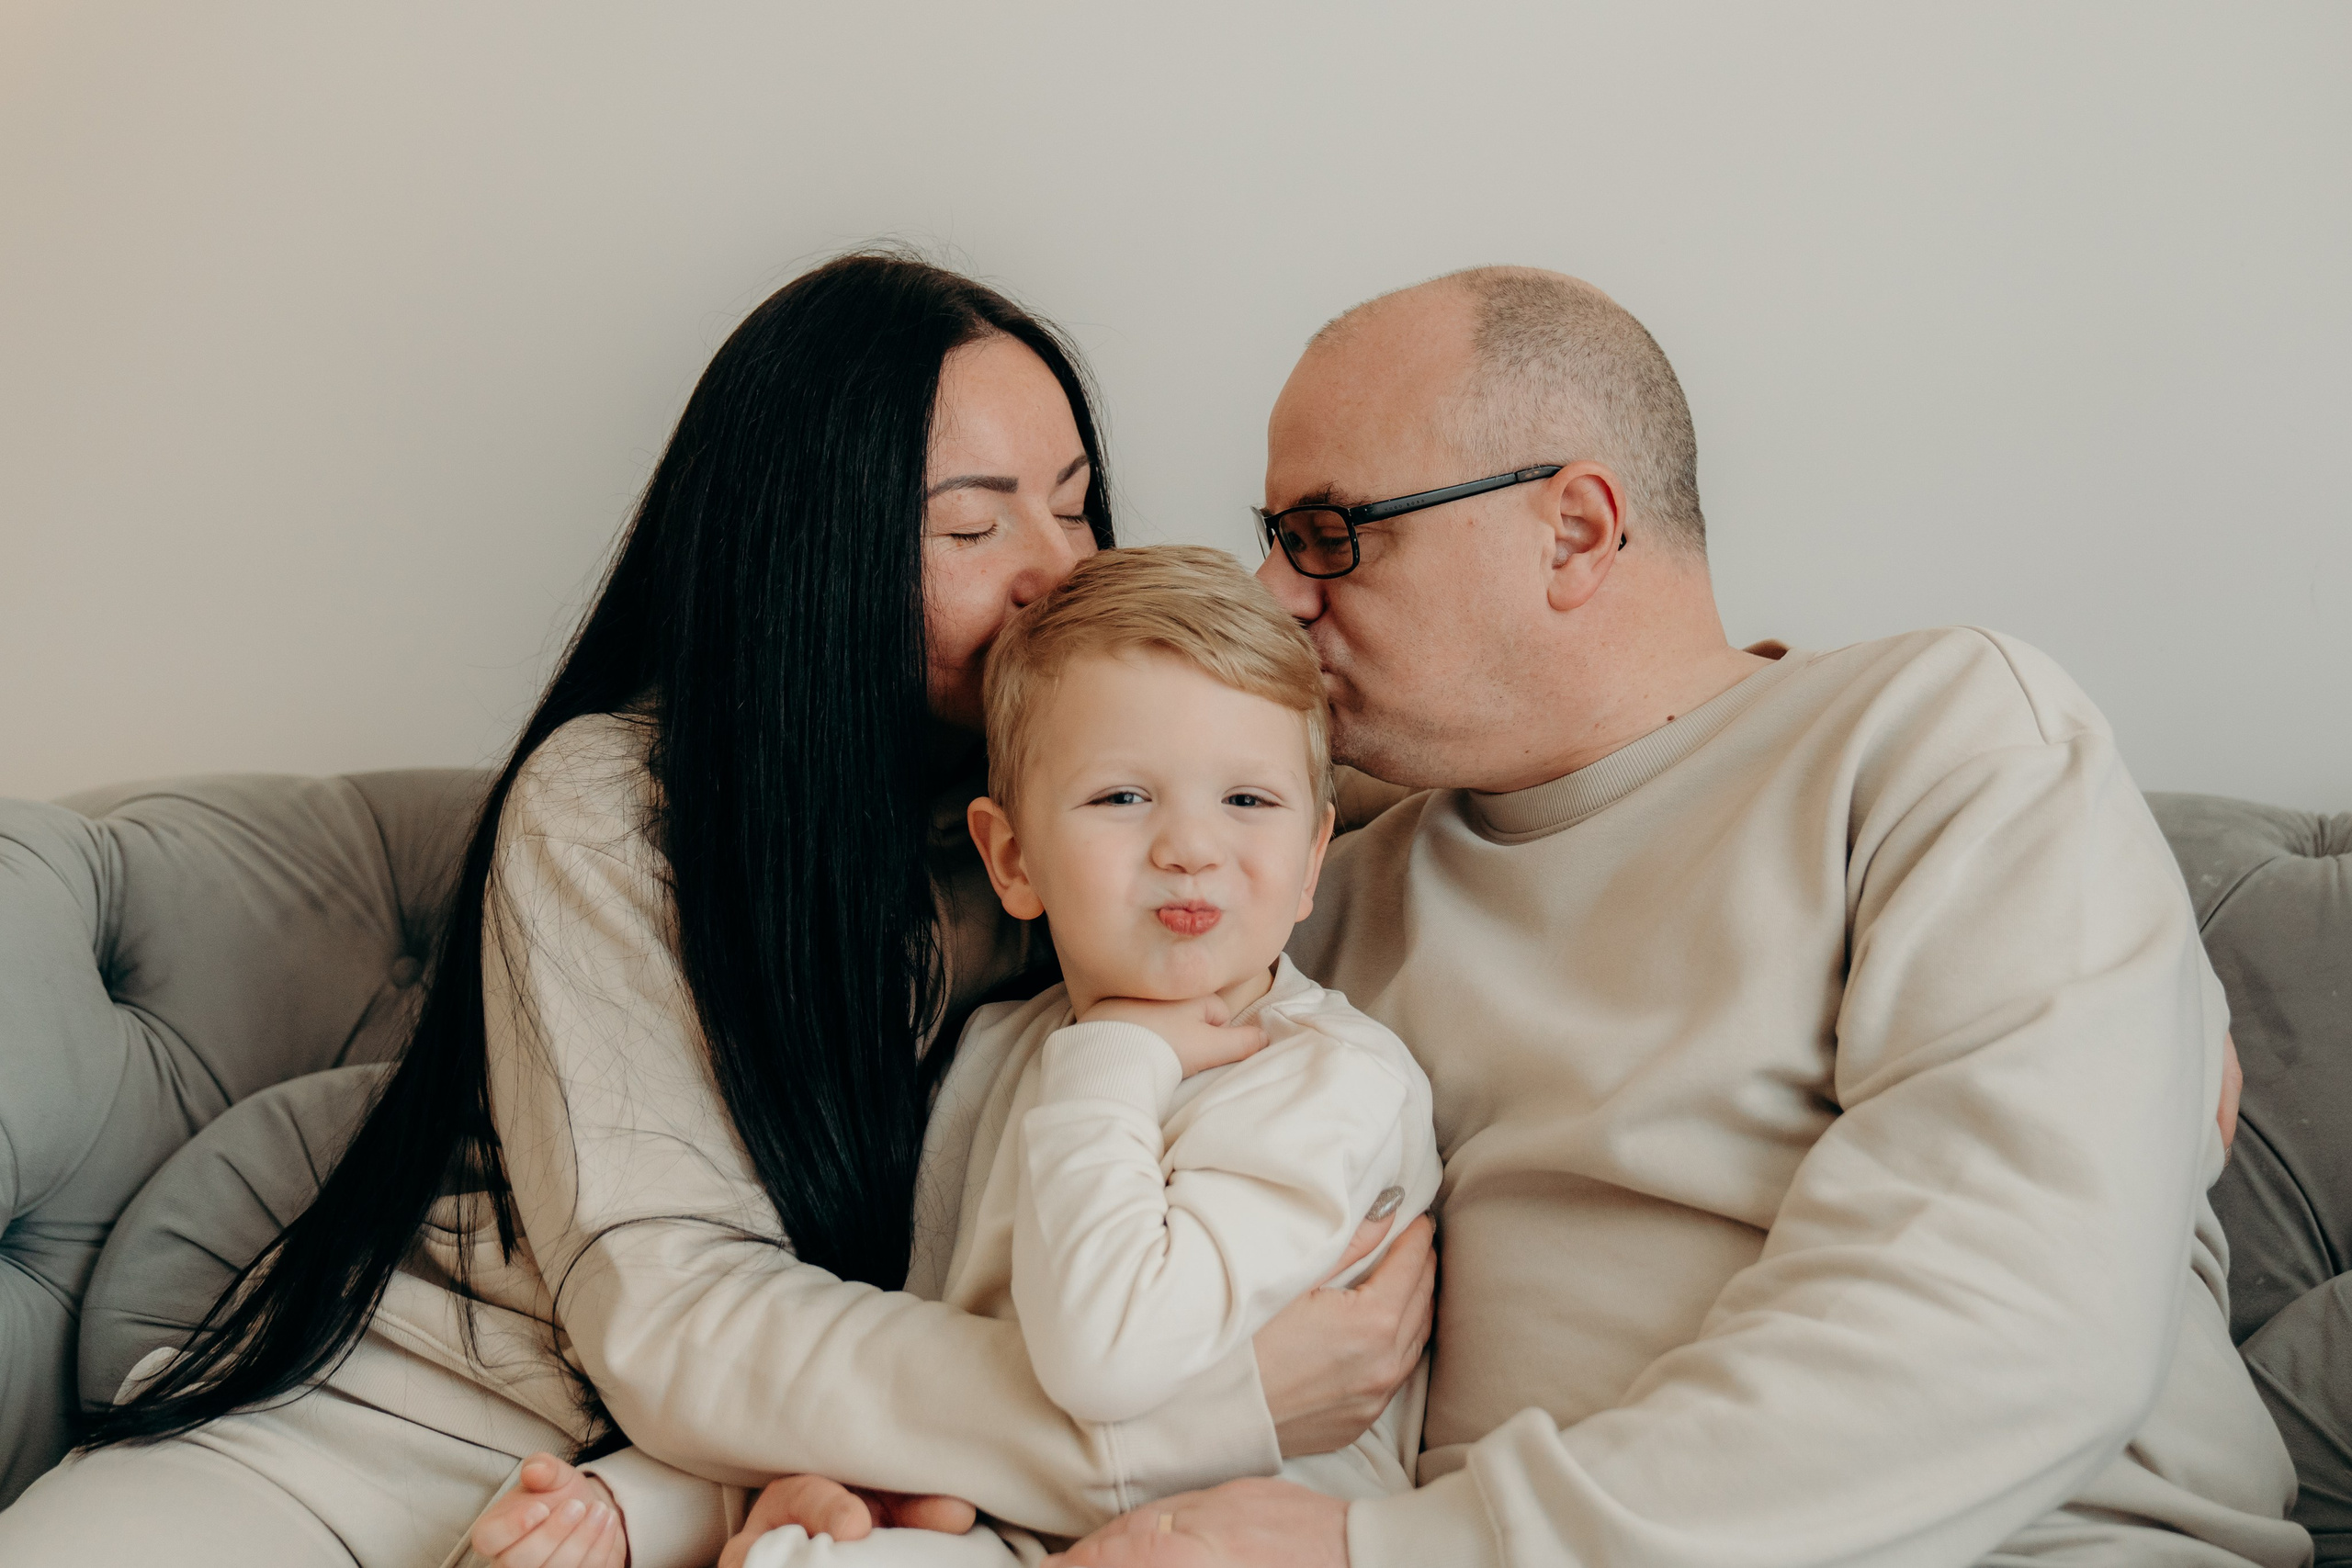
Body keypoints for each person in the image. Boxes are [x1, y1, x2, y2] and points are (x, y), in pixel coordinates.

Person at [0, 254, 1433, 1568]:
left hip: (759, 1485)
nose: (1055, 569)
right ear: (814, 553)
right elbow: (671, 1316)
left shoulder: (1117, 828)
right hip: (433, 1408)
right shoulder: (623, 807)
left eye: (1074, 502)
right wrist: (1197, 1419)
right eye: (975, 523)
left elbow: (1298, 800)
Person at [1027, 266, 2308, 1567]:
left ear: (1575, 531)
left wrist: (1384, 1549)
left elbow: (2010, 1319)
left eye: (1329, 533)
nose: (1279, 591)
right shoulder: (1302, 891)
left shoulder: (1938, 740)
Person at [713, 545, 1441, 1568]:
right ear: (1011, 859)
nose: (1188, 846)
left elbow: (1108, 1358)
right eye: (1122, 799)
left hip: (1237, 1542)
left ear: (1313, 857)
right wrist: (662, 1500)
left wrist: (1113, 1064)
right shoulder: (1002, 1047)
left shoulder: (1328, 1083)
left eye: (1246, 801)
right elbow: (912, 1351)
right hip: (1022, 1517)